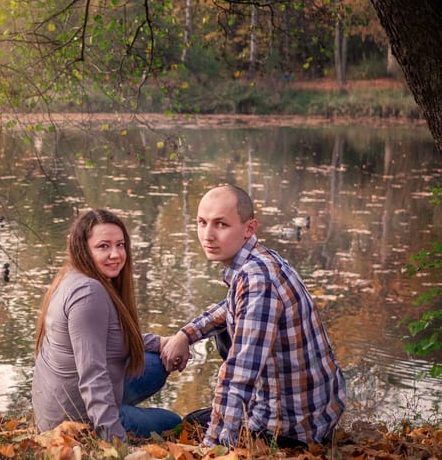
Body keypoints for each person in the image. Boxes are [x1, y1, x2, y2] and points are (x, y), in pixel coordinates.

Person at [160, 185, 345, 449]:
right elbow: (230, 307)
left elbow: (239, 375)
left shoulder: (258, 280)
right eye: (202, 223)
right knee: (224, 331)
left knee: (190, 423)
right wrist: (186, 334)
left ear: (249, 228)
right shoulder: (260, 260)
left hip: (290, 430)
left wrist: (210, 448)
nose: (207, 235)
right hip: (318, 414)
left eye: (221, 224)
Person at [32, 209, 182, 442]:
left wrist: (162, 342)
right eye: (104, 246)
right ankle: (108, 421)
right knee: (175, 424)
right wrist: (114, 443)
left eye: (120, 245)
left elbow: (109, 335)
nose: (116, 254)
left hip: (60, 402)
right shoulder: (88, 294)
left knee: (156, 365)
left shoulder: (74, 275)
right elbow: (92, 376)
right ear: (84, 249)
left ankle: (115, 406)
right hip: (73, 421)